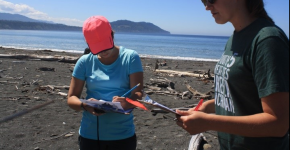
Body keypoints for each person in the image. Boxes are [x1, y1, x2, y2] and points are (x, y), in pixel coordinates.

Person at [176, 0, 289, 149]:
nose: (207, 7)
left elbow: (279, 123)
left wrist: (208, 122)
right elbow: (238, 97)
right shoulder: (235, 37)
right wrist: (206, 107)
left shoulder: (268, 40)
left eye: (211, 0)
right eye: (203, 1)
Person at [67, 16, 143, 150]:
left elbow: (138, 92)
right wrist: (85, 105)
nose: (103, 52)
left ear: (112, 35)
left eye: (105, 45)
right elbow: (71, 98)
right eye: (97, 48)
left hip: (122, 135)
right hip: (90, 135)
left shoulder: (130, 57)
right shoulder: (84, 61)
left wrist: (128, 101)